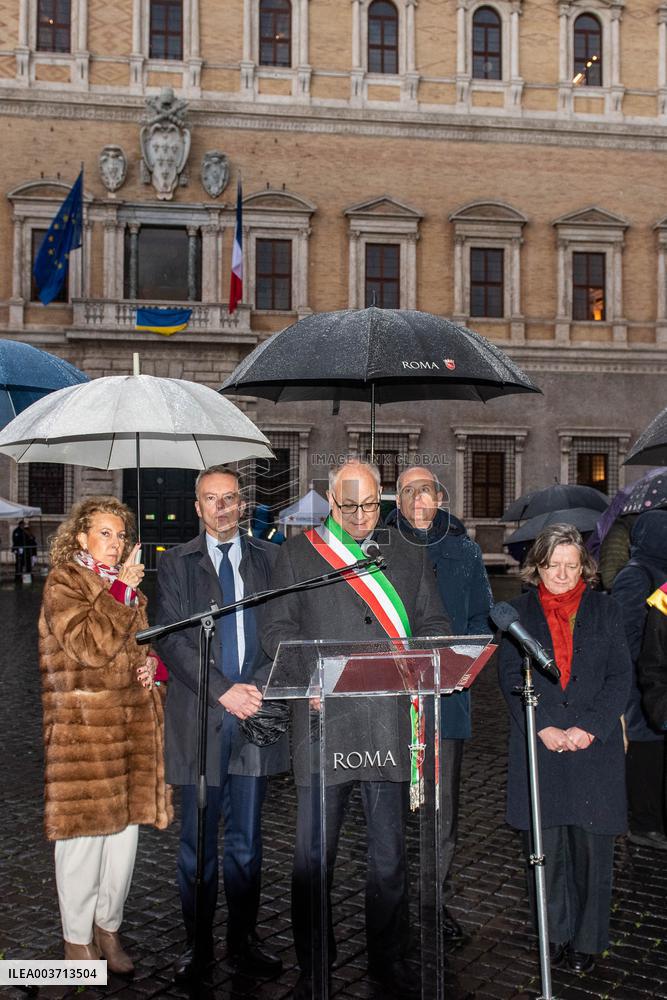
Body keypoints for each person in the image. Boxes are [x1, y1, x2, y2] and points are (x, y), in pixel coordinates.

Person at [261, 459, 451, 1000]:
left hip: (389, 725)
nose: (364, 516)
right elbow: (276, 631)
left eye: (372, 505)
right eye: (352, 507)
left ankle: (389, 960)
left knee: (389, 856)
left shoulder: (408, 554)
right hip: (324, 726)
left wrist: (417, 655)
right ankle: (314, 964)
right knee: (313, 857)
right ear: (329, 501)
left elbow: (434, 624)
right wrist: (314, 668)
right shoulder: (298, 555)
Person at [154, 465, 289, 983]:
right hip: (201, 721)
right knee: (197, 846)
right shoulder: (174, 564)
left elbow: (280, 629)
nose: (222, 507)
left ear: (242, 502)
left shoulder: (271, 560)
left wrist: (252, 687)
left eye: (230, 498)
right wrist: (222, 691)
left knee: (247, 844)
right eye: (211, 499)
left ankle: (243, 939)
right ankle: (197, 943)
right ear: (197, 507)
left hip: (254, 716)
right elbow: (173, 639)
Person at [38, 496, 172, 972]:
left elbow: (137, 647)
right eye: (104, 533)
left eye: (121, 534)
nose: (115, 544)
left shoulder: (126, 586)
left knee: (123, 841)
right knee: (83, 838)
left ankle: (107, 927)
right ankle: (76, 940)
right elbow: (88, 647)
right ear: (80, 536)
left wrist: (151, 667)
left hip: (130, 728)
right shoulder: (65, 582)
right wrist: (120, 595)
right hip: (85, 733)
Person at [498, 524, 631, 975]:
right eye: (553, 564)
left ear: (584, 568)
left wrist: (590, 728)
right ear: (537, 566)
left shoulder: (607, 610)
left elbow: (620, 678)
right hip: (543, 747)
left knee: (593, 854)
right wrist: (544, 727)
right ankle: (554, 935)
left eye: (571, 565)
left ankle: (589, 941)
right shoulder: (515, 615)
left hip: (594, 750)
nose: (562, 573)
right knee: (547, 852)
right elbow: (510, 679)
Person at [387, 465, 492, 942]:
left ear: (440, 497)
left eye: (424, 490)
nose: (415, 499)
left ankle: (432, 905)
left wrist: (455, 669)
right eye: (406, 491)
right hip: (388, 707)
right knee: (390, 815)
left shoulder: (465, 552)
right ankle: (392, 907)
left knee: (440, 817)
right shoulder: (379, 550)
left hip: (445, 703)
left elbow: (481, 621)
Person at [611, 509, 667, 851]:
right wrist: (642, 663)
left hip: (655, 676)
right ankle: (643, 824)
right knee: (645, 752)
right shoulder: (635, 574)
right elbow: (625, 630)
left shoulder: (660, 570)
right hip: (640, 678)